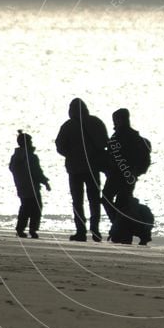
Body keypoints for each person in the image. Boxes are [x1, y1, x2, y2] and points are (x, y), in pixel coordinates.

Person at [55, 98, 108, 242]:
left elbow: (59, 146)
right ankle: (95, 230)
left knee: (77, 201)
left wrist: (71, 154)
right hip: (93, 167)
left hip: (74, 169)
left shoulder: (68, 125)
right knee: (94, 200)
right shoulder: (96, 123)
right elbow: (105, 142)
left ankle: (80, 231)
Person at [102, 108, 151, 244]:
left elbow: (114, 156)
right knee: (122, 204)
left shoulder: (120, 136)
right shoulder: (134, 137)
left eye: (116, 120)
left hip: (119, 175)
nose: (114, 122)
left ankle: (125, 228)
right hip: (128, 176)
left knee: (110, 200)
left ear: (121, 119)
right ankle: (124, 228)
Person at [9, 130, 51, 238]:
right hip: (32, 186)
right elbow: (37, 172)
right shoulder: (31, 157)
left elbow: (12, 169)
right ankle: (32, 229)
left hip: (21, 185)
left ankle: (20, 228)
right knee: (36, 208)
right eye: (30, 141)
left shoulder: (15, 157)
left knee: (25, 207)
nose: (31, 143)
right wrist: (45, 182)